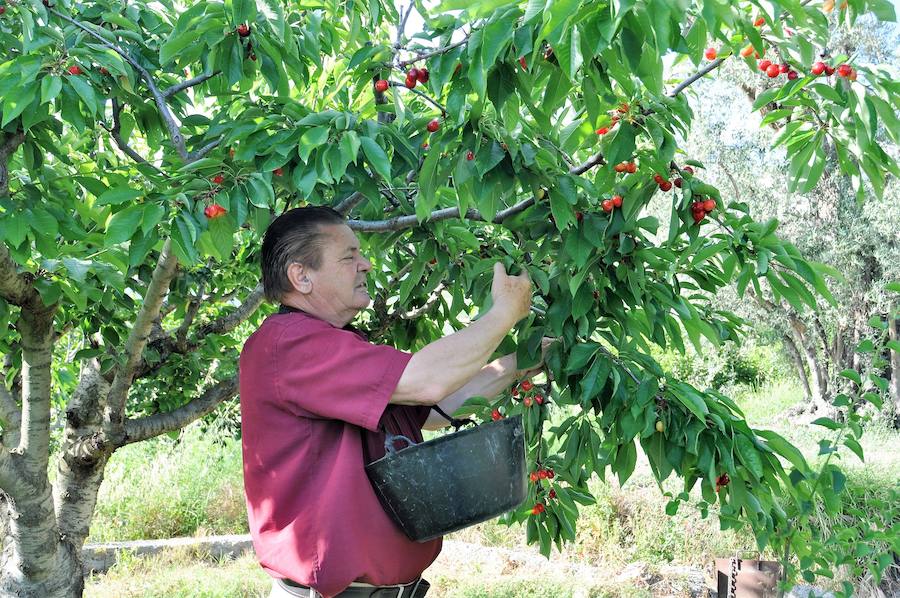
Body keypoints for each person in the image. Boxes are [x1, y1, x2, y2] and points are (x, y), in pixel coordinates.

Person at [240, 206, 546, 598]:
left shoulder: (338, 347)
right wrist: (503, 313)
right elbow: (428, 381)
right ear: (301, 276)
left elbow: (441, 405)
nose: (365, 264)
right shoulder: (289, 345)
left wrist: (521, 364)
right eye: (349, 257)